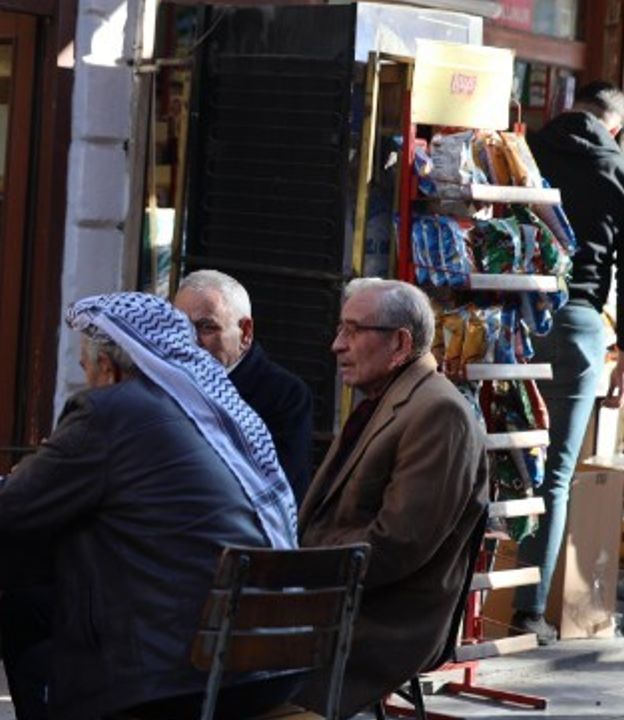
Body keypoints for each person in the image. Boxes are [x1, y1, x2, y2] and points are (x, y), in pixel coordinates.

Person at [0, 292, 299, 720]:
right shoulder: (214, 407)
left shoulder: (107, 410)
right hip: (272, 667)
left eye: (86, 369)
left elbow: (9, 507)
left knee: (35, 638)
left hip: (179, 680)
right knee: (30, 606)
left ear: (108, 368)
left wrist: (30, 469)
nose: (87, 381)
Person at [296, 278, 487, 716]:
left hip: (387, 618)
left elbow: (396, 544)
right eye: (340, 329)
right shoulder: (386, 398)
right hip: (343, 593)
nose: (337, 345)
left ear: (400, 343)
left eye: (353, 330)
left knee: (235, 654)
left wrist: (298, 562)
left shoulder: (439, 412)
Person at [516, 80, 624, 645]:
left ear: (570, 107)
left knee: (497, 459)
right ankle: (528, 612)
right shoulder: (617, 169)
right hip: (579, 322)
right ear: (616, 126)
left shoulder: (527, 148)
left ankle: (463, 598)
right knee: (554, 474)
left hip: (516, 317)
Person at [173, 269, 315, 501]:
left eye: (206, 327)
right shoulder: (164, 383)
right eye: (180, 326)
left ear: (245, 332)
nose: (190, 340)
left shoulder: (285, 395)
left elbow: (282, 491)